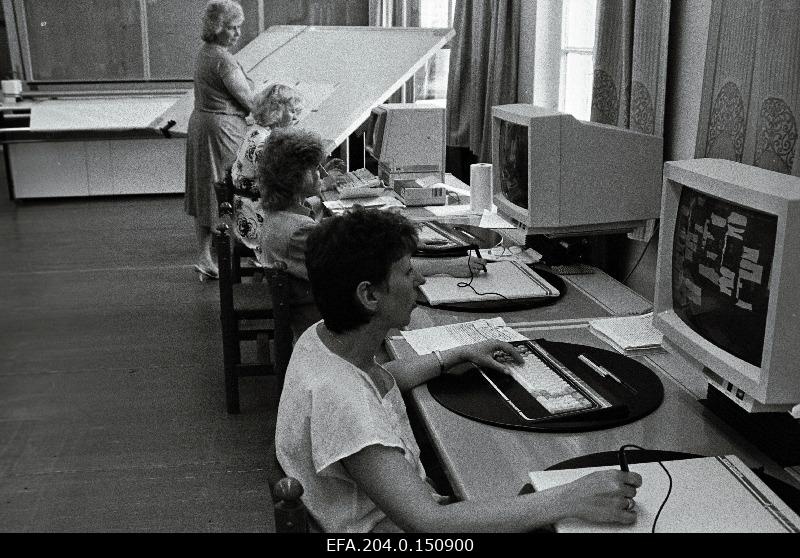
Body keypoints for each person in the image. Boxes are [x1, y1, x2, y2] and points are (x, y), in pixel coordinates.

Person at [275, 207, 643, 532]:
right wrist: (570, 497)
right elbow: (429, 524)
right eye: (407, 272)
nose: (419, 281)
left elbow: (381, 383)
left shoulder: (323, 339)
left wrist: (454, 354)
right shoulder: (345, 405)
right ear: (369, 296)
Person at [258, 127, 488, 338]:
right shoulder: (297, 231)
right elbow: (374, 269)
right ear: (295, 176)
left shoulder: (282, 216)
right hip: (329, 326)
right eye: (313, 169)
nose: (319, 174)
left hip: (319, 314)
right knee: (428, 318)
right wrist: (448, 266)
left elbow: (332, 234)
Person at [184, 0, 253, 280]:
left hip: (203, 123)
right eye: (232, 28)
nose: (237, 34)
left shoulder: (205, 53)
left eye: (239, 28)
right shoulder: (223, 59)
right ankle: (235, 252)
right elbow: (248, 100)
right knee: (228, 189)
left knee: (207, 189)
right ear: (217, 28)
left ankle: (205, 255)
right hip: (221, 129)